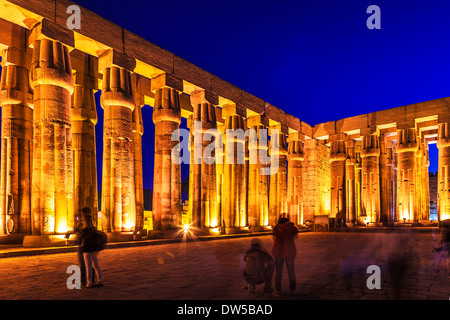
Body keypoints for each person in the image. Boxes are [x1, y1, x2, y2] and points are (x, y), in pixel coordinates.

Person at [272, 216, 298, 296]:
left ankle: (278, 290)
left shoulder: (276, 228)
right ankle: (292, 289)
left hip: (278, 251)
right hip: (289, 251)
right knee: (291, 272)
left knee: (278, 272)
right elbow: (295, 237)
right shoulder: (292, 228)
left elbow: (273, 237)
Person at [76, 213, 103, 288]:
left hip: (87, 249)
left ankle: (89, 282)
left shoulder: (84, 230)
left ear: (85, 221)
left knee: (88, 266)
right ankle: (100, 280)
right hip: (94, 249)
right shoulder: (94, 229)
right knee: (96, 265)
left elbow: (79, 239)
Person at [74, 207, 95, 287]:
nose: (81, 216)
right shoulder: (92, 226)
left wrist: (77, 238)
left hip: (84, 247)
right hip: (91, 247)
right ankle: (92, 279)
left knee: (83, 264)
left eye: (82, 214)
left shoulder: (85, 228)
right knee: (90, 264)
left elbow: (80, 237)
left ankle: (84, 280)